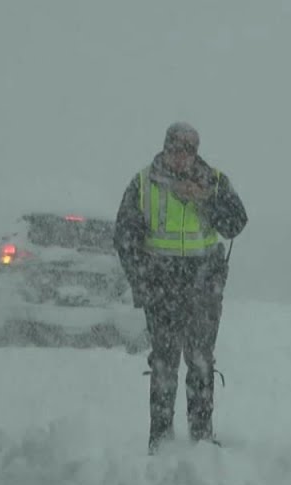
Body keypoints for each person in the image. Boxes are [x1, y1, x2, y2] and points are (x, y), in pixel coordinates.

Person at [113, 122, 248, 454]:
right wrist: (143, 281)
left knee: (201, 360)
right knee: (164, 361)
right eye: (176, 150)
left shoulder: (214, 182)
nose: (182, 158)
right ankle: (160, 440)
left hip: (203, 285)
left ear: (196, 153)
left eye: (189, 151)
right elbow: (125, 236)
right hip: (162, 286)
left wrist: (206, 201)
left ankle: (201, 437)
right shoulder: (143, 183)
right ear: (166, 148)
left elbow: (236, 224)